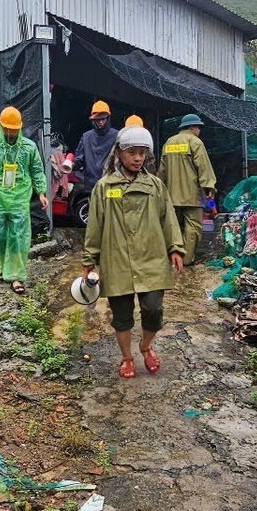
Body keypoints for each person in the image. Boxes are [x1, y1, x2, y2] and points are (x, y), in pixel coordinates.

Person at [83, 126, 185, 379]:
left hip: (151, 257)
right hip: (117, 259)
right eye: (132, 153)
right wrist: (89, 260)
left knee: (153, 309)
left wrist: (175, 248)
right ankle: (127, 358)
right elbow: (95, 224)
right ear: (119, 152)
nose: (138, 158)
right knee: (122, 316)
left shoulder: (155, 186)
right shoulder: (104, 187)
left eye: (142, 153)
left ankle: (146, 346)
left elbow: (168, 218)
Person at [0, 106, 48, 295]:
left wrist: (41, 192)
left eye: (13, 129)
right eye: (7, 128)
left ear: (19, 128)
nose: (10, 133)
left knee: (18, 236)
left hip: (20, 197)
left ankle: (16, 276)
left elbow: (37, 170)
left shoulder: (29, 148)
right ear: (0, 126)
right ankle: (4, 269)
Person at [158, 114, 217, 265]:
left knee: (174, 228)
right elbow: (203, 166)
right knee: (193, 229)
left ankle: (172, 258)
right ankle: (186, 260)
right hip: (192, 196)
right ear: (191, 127)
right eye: (198, 127)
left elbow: (162, 171)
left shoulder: (169, 143)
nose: (199, 130)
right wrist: (209, 187)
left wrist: (160, 191)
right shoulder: (195, 142)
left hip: (171, 196)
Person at [72, 100, 117, 189]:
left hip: (111, 184)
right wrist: (71, 165)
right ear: (93, 120)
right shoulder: (86, 137)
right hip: (90, 185)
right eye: (97, 119)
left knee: (113, 203)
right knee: (93, 203)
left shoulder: (117, 136)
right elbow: (79, 159)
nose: (100, 122)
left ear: (108, 118)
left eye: (103, 119)